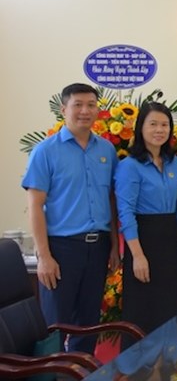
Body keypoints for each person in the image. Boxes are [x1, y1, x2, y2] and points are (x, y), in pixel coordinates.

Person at [21, 83, 119, 353]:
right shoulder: (46, 151)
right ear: (64, 109)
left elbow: (110, 200)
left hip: (98, 247)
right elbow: (36, 205)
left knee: (88, 324)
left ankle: (80, 372)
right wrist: (44, 256)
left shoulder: (106, 151)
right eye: (78, 105)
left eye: (91, 105)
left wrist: (113, 246)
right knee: (55, 325)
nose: (85, 111)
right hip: (62, 249)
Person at [115, 101, 177, 338]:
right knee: (144, 312)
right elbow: (126, 213)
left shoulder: (173, 162)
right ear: (140, 128)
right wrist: (137, 255)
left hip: (170, 241)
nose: (159, 130)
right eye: (153, 124)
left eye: (164, 124)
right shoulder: (130, 166)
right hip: (144, 241)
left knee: (171, 308)